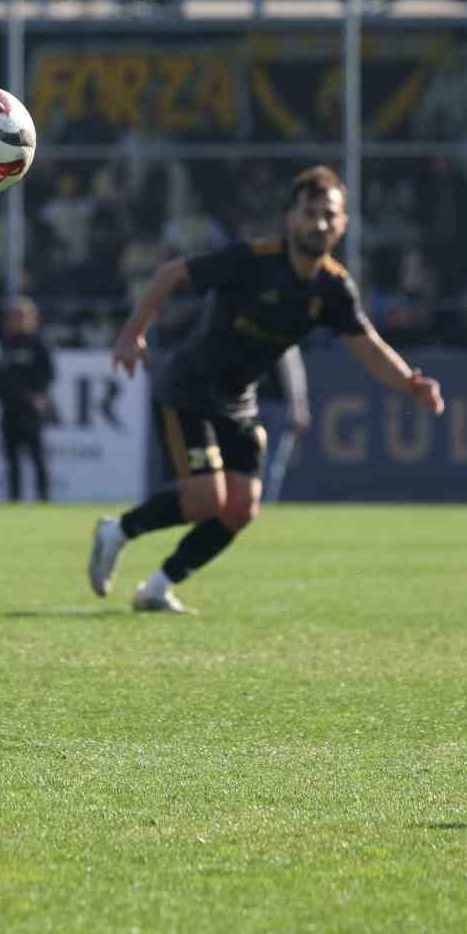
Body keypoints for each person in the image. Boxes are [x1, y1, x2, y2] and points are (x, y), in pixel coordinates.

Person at [87, 165, 445, 613]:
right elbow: (171, 275)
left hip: (238, 400)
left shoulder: (333, 288)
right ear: (290, 217)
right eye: (310, 212)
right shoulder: (253, 260)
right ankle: (116, 532)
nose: (319, 223)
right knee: (206, 498)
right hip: (188, 389)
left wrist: (409, 383)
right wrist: (132, 333)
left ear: (343, 224)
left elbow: (367, 345)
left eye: (329, 215)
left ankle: (157, 587)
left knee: (240, 508)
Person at [0, 295, 55, 502]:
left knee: (37, 457)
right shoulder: (2, 343)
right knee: (11, 459)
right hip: (9, 410)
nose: (16, 321)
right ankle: (14, 498)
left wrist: (36, 396)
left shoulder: (38, 344)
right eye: (13, 316)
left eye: (21, 316)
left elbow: (48, 375)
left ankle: (44, 497)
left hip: (31, 410)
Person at [258, 345, 310, 504]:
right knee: (272, 462)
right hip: (275, 406)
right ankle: (263, 504)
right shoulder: (283, 335)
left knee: (259, 462)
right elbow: (292, 373)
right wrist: (299, 407)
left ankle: (257, 502)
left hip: (254, 405)